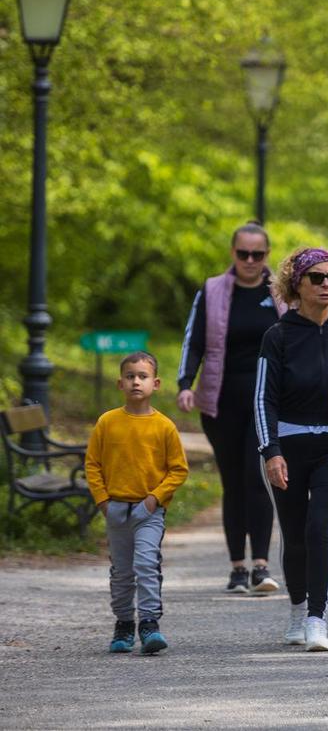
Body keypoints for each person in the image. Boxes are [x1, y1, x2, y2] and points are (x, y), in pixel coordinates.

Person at [256, 248, 328, 652]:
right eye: (317, 278)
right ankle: (296, 609)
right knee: (293, 534)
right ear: (297, 284)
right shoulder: (279, 335)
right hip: (287, 445)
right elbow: (263, 399)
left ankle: (317, 620)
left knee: (320, 526)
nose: (326, 285)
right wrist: (271, 451)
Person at [177, 221, 287, 594]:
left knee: (257, 478)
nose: (251, 260)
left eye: (258, 254)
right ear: (233, 253)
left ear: (267, 255)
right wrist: (184, 384)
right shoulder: (212, 290)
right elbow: (193, 341)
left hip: (267, 404)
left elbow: (298, 339)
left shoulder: (281, 292)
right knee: (233, 482)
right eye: (244, 254)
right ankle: (237, 567)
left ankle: (261, 566)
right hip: (221, 403)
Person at [85, 352, 190, 655]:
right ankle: (123, 624)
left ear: (155, 383)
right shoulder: (107, 422)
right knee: (121, 570)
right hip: (115, 509)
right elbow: (92, 464)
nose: (136, 381)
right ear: (120, 383)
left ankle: (149, 623)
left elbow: (178, 469)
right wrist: (103, 501)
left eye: (142, 376)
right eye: (130, 376)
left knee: (146, 564)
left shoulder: (164, 426)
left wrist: (155, 498)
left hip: (149, 511)